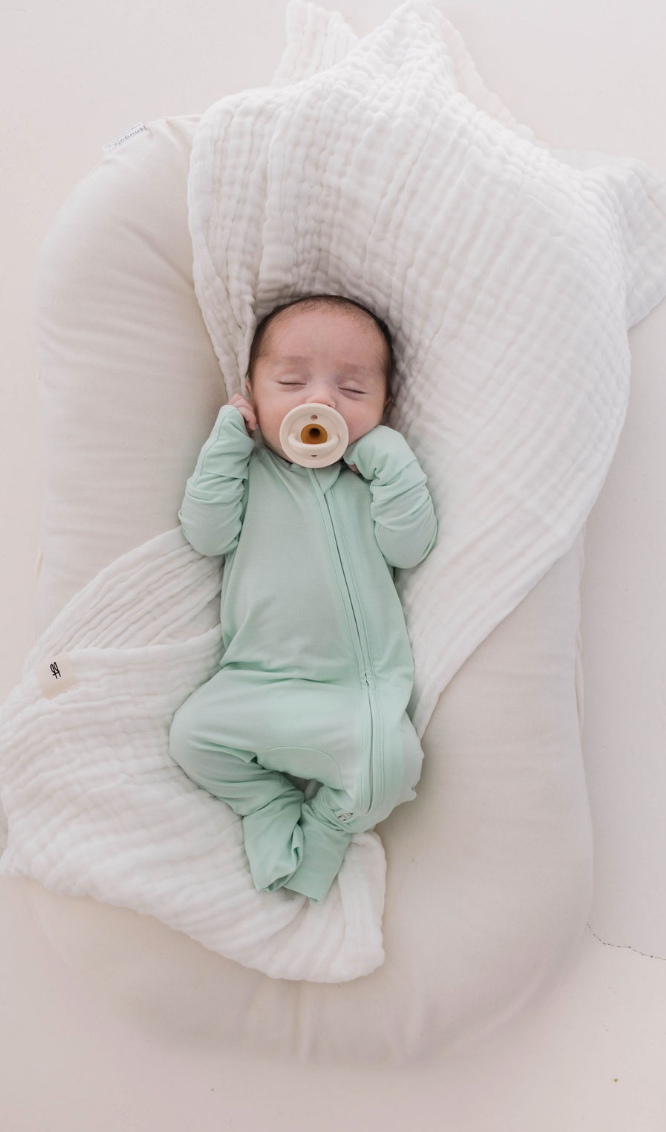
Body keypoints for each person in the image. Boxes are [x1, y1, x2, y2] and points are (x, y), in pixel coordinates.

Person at [168, 294, 438, 903]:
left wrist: (391, 460)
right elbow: (204, 533)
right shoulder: (249, 472)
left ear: (384, 407)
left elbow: (410, 548)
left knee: (392, 766)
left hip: (352, 690)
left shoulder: (363, 480)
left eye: (353, 389)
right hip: (253, 680)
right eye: (291, 380)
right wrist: (228, 443)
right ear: (253, 393)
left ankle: (323, 831)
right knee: (191, 737)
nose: (320, 401)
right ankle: (266, 802)